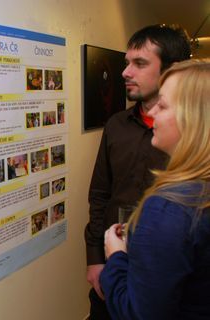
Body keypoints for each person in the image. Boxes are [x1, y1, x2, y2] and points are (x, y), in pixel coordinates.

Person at [84, 24, 191, 319]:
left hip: (164, 273)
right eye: (126, 63)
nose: (125, 72)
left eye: (140, 63)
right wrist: (95, 258)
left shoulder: (190, 137)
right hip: (112, 263)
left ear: (173, 70)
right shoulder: (116, 125)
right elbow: (99, 195)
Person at [101, 59, 210, 319]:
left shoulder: (170, 207)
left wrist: (116, 256)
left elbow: (138, 314)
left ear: (192, 119)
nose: (152, 114)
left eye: (162, 105)